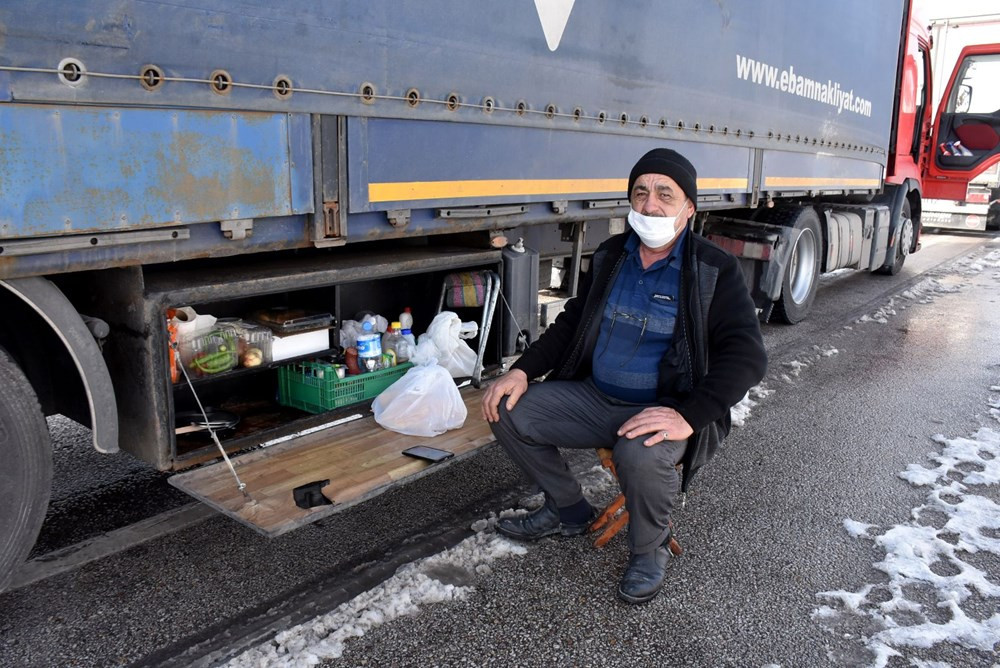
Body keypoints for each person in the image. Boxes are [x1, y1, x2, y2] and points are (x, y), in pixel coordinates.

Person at [482, 148, 767, 604]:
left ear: (689, 208)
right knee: (506, 408)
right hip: (595, 399)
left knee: (640, 455)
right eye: (640, 192)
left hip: (663, 408)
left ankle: (649, 548)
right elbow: (574, 322)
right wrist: (521, 371)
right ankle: (568, 509)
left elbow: (748, 358)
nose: (650, 204)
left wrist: (688, 417)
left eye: (664, 195)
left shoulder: (714, 269)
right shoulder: (613, 254)